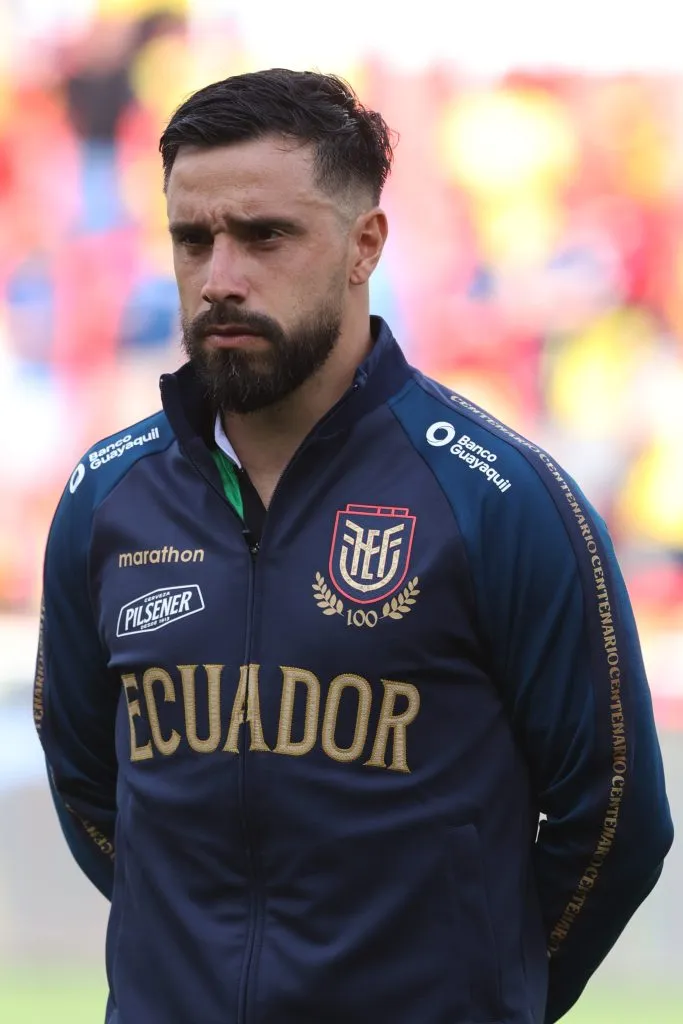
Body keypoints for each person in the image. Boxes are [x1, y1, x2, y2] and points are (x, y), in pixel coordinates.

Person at [33, 68, 673, 1024]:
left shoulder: (498, 499)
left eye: (264, 236)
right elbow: (90, 790)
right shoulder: (105, 499)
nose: (220, 279)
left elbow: (613, 822)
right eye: (191, 239)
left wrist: (473, 989)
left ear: (363, 245)